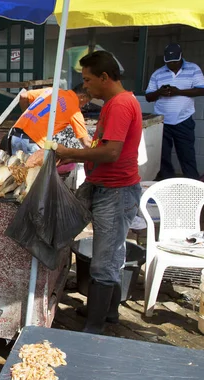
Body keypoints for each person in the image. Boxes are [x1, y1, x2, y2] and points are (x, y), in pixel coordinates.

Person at [54, 51, 142, 335]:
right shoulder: (115, 102)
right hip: (100, 184)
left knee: (105, 258)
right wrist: (79, 157)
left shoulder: (120, 105)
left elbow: (111, 152)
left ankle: (94, 326)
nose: (86, 86)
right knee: (104, 249)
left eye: (88, 80)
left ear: (105, 77)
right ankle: (108, 311)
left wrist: (70, 152)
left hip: (116, 192)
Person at [145, 43, 204, 180]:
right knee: (162, 156)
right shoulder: (158, 73)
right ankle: (166, 183)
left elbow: (202, 90)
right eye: (168, 61)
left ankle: (192, 184)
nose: (171, 64)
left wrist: (178, 92)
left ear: (181, 57)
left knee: (187, 155)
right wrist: (160, 92)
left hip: (183, 120)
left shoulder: (193, 69)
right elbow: (148, 97)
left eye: (175, 61)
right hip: (162, 121)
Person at [0, 85, 92, 155]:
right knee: (32, 178)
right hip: (33, 142)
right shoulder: (75, 111)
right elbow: (86, 143)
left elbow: (23, 96)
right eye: (86, 103)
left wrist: (29, 115)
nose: (84, 106)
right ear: (82, 97)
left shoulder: (51, 91)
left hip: (14, 135)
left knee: (15, 176)